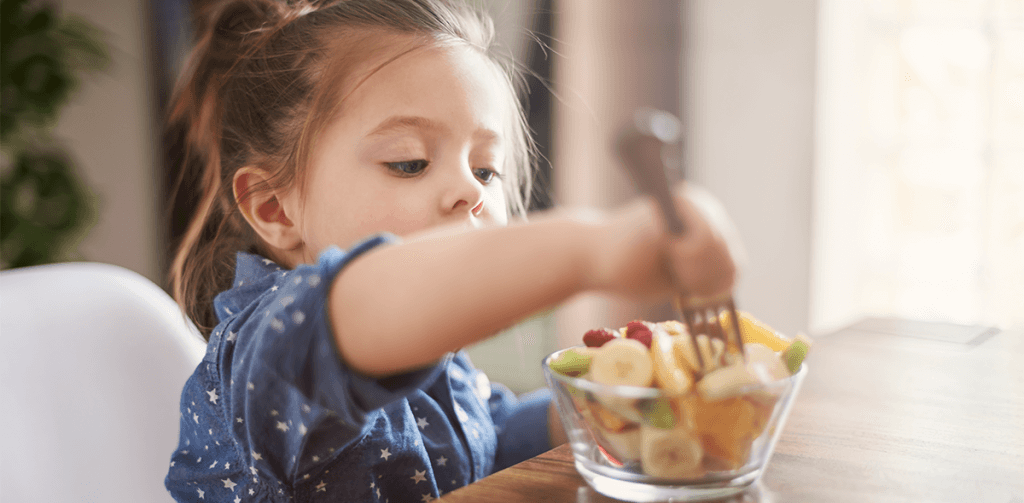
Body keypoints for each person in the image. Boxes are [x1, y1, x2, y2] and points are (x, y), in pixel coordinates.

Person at [163, 0, 738, 501]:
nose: (470, 189)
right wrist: (592, 247)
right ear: (273, 207)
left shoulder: (434, 359)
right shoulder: (268, 351)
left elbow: (483, 436)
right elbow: (371, 300)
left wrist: (597, 409)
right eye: (409, 162)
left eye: (487, 170)